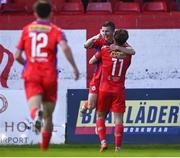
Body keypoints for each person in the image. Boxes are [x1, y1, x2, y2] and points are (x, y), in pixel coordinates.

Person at [14, 0, 79, 151]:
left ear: (35, 13)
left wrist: (27, 65)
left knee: (35, 108)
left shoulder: (26, 29)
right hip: (50, 76)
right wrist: (74, 68)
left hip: (32, 74)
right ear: (51, 13)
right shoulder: (56, 30)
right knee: (48, 116)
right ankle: (44, 149)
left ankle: (36, 114)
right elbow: (65, 47)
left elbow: (16, 55)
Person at [89, 29, 135, 152]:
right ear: (125, 41)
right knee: (118, 119)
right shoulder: (128, 54)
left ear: (114, 38)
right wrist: (121, 45)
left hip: (104, 89)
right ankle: (118, 148)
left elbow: (92, 61)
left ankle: (103, 142)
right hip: (119, 90)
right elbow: (132, 50)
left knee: (100, 115)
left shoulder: (105, 50)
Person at [80, 21, 135, 116]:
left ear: (113, 32)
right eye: (103, 31)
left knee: (102, 112)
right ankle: (85, 105)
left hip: (108, 81)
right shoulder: (100, 40)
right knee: (91, 106)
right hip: (98, 77)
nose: (105, 33)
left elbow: (132, 51)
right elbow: (85, 45)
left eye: (107, 31)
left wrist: (117, 47)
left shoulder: (118, 41)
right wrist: (95, 37)